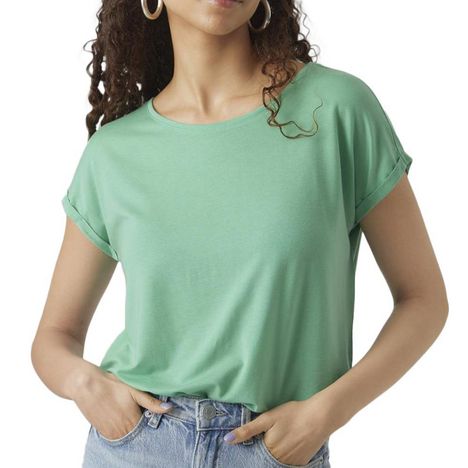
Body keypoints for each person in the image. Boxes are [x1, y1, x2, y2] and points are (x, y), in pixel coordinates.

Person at [31, 0, 449, 466]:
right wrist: (85, 385)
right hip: (136, 447)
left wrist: (327, 412)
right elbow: (54, 337)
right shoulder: (113, 153)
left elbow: (423, 299)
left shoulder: (335, 109)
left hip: (276, 449)